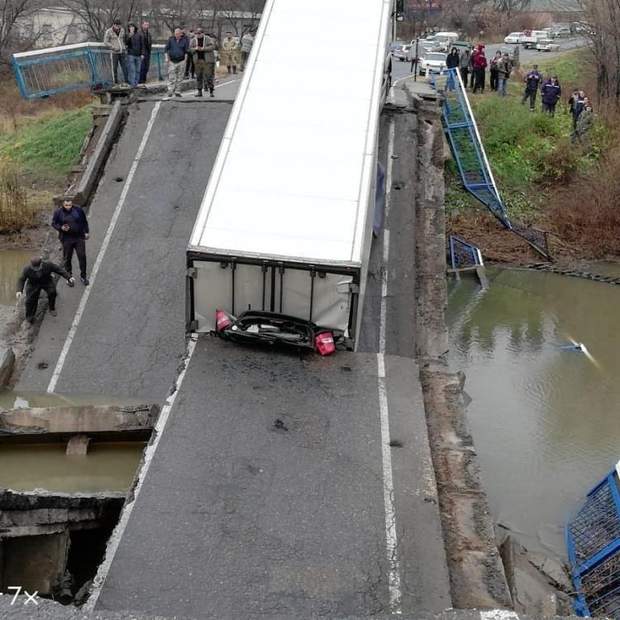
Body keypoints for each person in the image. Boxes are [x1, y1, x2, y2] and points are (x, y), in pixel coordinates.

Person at [16, 257, 75, 324]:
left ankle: (52, 308)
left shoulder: (48, 265)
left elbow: (59, 270)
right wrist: (19, 290)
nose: (36, 269)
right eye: (34, 268)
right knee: (30, 300)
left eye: (37, 268)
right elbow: (21, 279)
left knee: (52, 292)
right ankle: (29, 317)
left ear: (41, 264)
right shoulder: (26, 269)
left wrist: (69, 277)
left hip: (46, 281)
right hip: (33, 284)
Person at [51, 198, 90, 286]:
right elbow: (54, 223)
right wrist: (61, 228)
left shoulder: (78, 210)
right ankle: (69, 277)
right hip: (66, 239)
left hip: (79, 237)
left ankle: (83, 276)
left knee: (82, 256)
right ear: (63, 205)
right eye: (66, 205)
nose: (68, 207)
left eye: (70, 205)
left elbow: (84, 221)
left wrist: (86, 232)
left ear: (72, 204)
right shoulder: (58, 212)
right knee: (67, 258)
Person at [165, 27, 190, 98]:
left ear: (180, 34)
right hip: (172, 61)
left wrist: (185, 61)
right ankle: (170, 90)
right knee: (171, 76)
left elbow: (186, 52)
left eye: (178, 34)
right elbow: (166, 49)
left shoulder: (184, 41)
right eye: (176, 34)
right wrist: (166, 58)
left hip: (181, 61)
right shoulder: (171, 40)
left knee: (180, 77)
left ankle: (177, 91)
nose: (177, 35)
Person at [191, 28, 216, 97]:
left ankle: (211, 91)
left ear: (203, 33)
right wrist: (195, 49)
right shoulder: (193, 40)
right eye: (197, 33)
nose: (198, 35)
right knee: (198, 76)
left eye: (199, 33)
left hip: (207, 61)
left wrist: (203, 49)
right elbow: (190, 49)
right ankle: (199, 91)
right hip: (198, 60)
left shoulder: (208, 39)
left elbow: (212, 47)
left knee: (208, 76)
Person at [103, 19, 128, 85]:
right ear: (114, 25)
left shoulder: (122, 30)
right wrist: (113, 47)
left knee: (125, 67)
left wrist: (124, 46)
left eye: (119, 25)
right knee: (114, 68)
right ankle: (116, 82)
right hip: (114, 53)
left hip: (122, 51)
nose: (118, 27)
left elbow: (124, 39)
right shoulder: (109, 31)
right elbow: (105, 42)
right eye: (117, 25)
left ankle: (127, 81)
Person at [125, 23, 144, 87]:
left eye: (132, 27)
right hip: (131, 54)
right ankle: (132, 84)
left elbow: (142, 45)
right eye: (130, 27)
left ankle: (136, 84)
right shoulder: (127, 35)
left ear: (135, 28)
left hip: (138, 55)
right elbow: (126, 43)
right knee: (132, 70)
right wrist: (129, 36)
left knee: (138, 70)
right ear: (129, 28)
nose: (131, 28)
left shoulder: (139, 35)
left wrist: (142, 54)